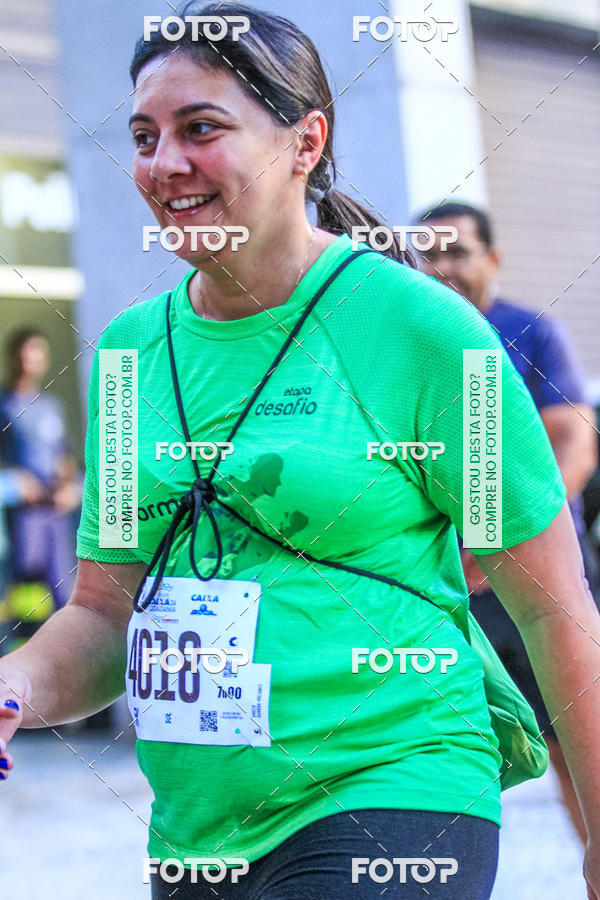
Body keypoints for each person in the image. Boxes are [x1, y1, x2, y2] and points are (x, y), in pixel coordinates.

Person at [1, 5, 600, 898]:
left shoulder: (427, 333)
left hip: (395, 785)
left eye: (201, 128)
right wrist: (11, 689)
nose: (164, 164)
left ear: (305, 141)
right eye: (143, 135)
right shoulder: (127, 356)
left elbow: (554, 607)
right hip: (200, 828)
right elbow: (102, 616)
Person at [415, 200, 598, 844]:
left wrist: (505, 537)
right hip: (447, 588)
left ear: (491, 259)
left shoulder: (529, 333)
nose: (442, 267)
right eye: (428, 253)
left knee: (576, 743)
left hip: (538, 580)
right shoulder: (408, 342)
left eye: (457, 252)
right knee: (456, 754)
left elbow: (573, 441)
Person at [0, 328, 82, 611]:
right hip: (16, 517)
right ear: (14, 357)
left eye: (38, 354)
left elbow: (65, 456)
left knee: (64, 596)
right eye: (26, 354)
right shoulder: (4, 404)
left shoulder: (51, 406)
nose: (31, 361)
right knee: (10, 596)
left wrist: (68, 485)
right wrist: (14, 481)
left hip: (53, 515)